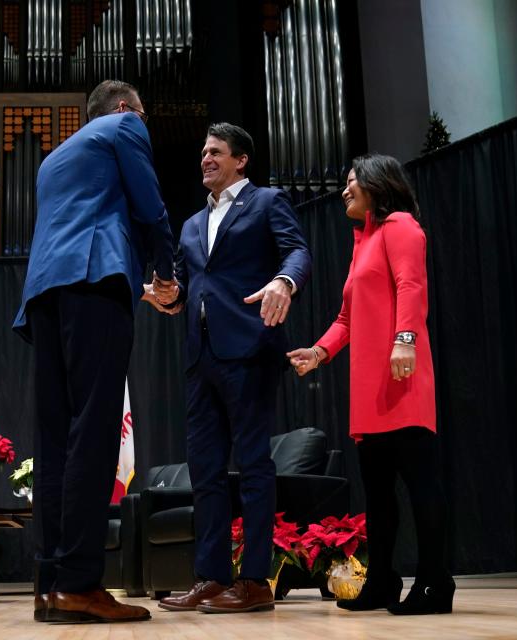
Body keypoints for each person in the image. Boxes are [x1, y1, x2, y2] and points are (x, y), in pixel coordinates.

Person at [13, 80, 177, 623]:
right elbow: (150, 205)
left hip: (44, 293)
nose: (145, 125)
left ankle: (50, 582)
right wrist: (167, 273)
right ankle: (81, 584)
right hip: (94, 279)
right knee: (95, 427)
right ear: (128, 109)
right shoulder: (125, 126)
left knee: (55, 437)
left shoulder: (52, 158)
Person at [145, 123, 310, 614]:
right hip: (200, 357)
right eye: (202, 152)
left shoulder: (266, 202)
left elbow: (297, 250)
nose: (205, 159)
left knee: (254, 464)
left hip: (249, 349)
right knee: (206, 472)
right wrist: (167, 299)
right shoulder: (192, 223)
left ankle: (256, 580)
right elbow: (184, 284)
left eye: (215, 152)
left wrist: (285, 281)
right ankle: (213, 578)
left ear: (241, 160)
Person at [287, 154, 454, 615]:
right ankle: (382, 580)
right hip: (370, 390)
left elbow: (411, 286)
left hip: (402, 379)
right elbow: (346, 318)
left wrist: (405, 340)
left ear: (378, 186)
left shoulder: (401, 226)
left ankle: (436, 581)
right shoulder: (363, 242)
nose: (344, 190)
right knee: (378, 494)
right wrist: (318, 353)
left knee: (422, 486)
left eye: (351, 182)